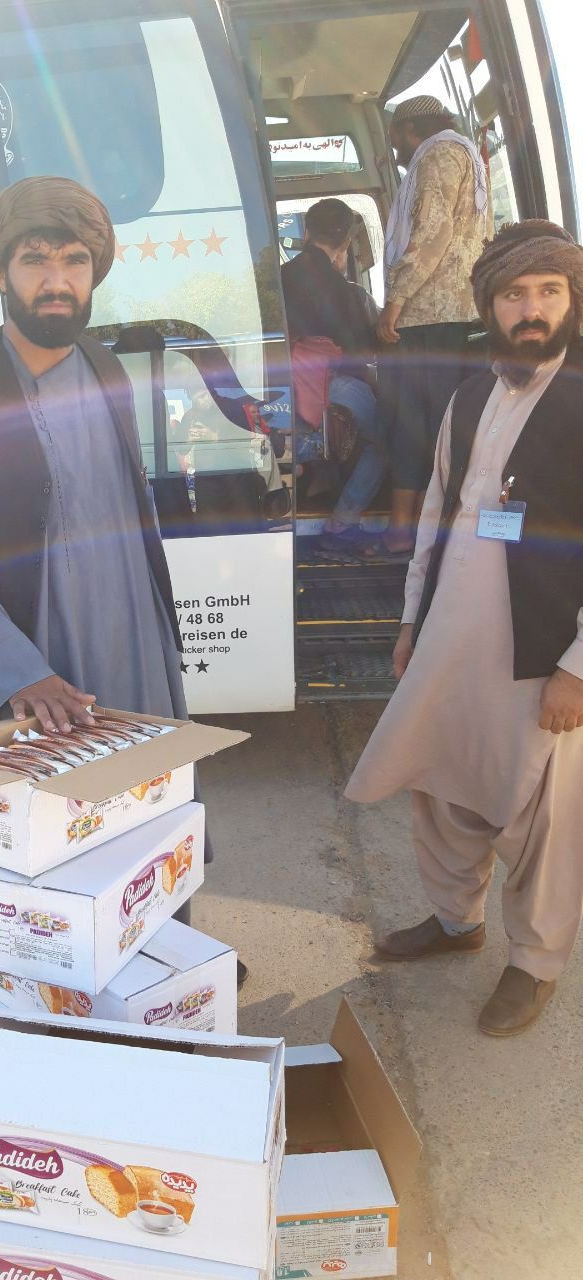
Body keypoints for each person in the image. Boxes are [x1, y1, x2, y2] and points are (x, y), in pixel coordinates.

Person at [0, 175, 236, 964]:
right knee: (36, 830)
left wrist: (159, 641)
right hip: (32, 656)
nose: (57, 279)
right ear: (2, 272)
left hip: (130, 642)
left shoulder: (106, 369)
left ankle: (162, 961)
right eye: (35, 259)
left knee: (149, 813)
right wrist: (19, 673)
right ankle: (47, 986)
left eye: (75, 260)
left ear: (95, 272)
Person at [346, 220, 583, 1036]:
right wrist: (412, 621)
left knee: (546, 810)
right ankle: (457, 923)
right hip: (451, 635)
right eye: (515, 294)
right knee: (441, 782)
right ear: (488, 305)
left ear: (571, 301)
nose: (532, 311)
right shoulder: (471, 393)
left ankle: (535, 963)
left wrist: (579, 668)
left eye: (549, 293)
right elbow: (440, 510)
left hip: (541, 651)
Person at [368, 94, 491, 559]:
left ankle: (405, 533)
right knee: (441, 425)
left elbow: (430, 236)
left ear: (408, 128)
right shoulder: (465, 154)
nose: (394, 146)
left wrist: (393, 303)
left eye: (394, 134)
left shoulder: (438, 154)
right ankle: (427, 533)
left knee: (410, 425)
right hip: (455, 317)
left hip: (427, 317)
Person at [280, 198, 382, 553]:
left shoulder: (276, 279)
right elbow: (356, 358)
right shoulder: (347, 293)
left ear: (307, 232)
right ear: (346, 244)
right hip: (332, 385)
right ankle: (342, 521)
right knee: (389, 439)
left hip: (281, 389)